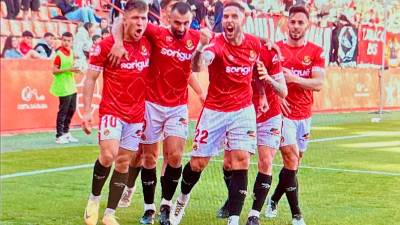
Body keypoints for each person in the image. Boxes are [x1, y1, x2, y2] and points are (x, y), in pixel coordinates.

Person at [169, 1, 268, 225]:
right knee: (197, 164)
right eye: (225, 17)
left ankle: (234, 219)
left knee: (240, 160)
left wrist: (261, 96)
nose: (229, 21)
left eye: (234, 16)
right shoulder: (216, 44)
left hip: (243, 110)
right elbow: (199, 65)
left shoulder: (254, 45)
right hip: (215, 111)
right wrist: (200, 49)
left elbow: (257, 71)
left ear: (244, 19)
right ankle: (182, 199)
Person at [109, 1, 205, 224]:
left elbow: (189, 70)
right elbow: (118, 21)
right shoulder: (156, 33)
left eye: (186, 23)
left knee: (175, 156)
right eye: (177, 23)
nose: (181, 28)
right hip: (151, 104)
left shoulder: (196, 38)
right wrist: (116, 42)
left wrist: (200, 92)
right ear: (167, 18)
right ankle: (149, 208)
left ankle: (166, 205)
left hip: (177, 106)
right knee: (148, 157)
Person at [81, 1, 151, 225]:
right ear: (125, 19)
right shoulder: (106, 45)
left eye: (144, 18)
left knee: (123, 162)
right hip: (112, 110)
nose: (140, 23)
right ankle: (93, 199)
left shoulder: (149, 43)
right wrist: (86, 111)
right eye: (135, 18)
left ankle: (110, 214)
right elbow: (90, 79)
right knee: (109, 155)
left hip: (137, 114)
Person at [265, 5, 325, 225]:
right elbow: (264, 79)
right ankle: (297, 214)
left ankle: (273, 199)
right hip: (281, 115)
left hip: (304, 115)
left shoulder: (316, 51)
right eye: (293, 21)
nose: (296, 26)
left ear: (307, 25)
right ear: (286, 23)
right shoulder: (276, 49)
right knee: (290, 159)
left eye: (301, 22)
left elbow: (318, 83)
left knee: (294, 164)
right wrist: (277, 96)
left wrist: (294, 79)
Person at [217, 40, 287, 225]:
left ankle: (254, 214)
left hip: (269, 114)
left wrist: (269, 78)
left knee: (266, 161)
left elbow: (283, 91)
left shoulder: (270, 53)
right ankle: (233, 198)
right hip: (240, 112)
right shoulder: (230, 50)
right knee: (229, 164)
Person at [50, 32, 80, 144]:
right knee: (63, 111)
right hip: (62, 86)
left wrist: (76, 70)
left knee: (72, 109)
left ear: (72, 42)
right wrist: (69, 69)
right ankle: (59, 135)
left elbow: (72, 66)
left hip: (71, 85)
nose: (66, 42)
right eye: (64, 40)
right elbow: (54, 71)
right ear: (62, 41)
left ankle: (66, 133)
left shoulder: (71, 52)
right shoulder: (59, 54)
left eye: (68, 41)